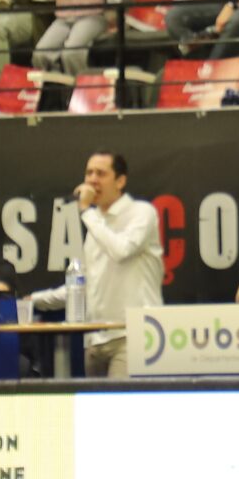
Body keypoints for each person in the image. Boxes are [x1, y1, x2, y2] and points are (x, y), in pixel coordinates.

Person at [71, 152, 160, 378]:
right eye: (89, 173)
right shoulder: (96, 225)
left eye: (100, 173)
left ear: (120, 181)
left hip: (133, 335)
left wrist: (86, 212)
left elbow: (122, 250)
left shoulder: (141, 212)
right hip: (95, 337)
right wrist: (36, 299)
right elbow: (87, 283)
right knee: (97, 412)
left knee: (123, 409)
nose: (92, 180)